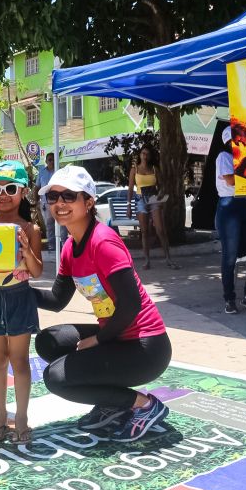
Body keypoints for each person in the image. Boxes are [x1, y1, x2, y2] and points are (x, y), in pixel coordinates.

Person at [32, 165, 172, 442]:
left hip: (145, 348)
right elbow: (57, 300)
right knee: (49, 342)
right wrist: (11, 284)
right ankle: (112, 402)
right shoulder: (71, 247)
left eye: (69, 196)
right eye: (53, 197)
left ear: (89, 202)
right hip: (117, 336)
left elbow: (131, 304)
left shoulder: (103, 242)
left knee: (56, 378)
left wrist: (97, 339)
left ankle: (144, 405)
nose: (59, 203)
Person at [0, 161, 43, 444]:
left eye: (10, 188)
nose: (3, 194)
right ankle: (1, 419)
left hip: (19, 298)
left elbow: (37, 271)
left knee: (19, 360)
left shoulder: (30, 228)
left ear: (23, 191)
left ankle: (23, 419)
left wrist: (26, 250)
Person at [215, 127, 246, 314]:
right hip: (230, 206)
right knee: (230, 255)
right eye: (239, 138)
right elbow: (230, 180)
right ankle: (229, 298)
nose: (244, 141)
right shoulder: (224, 157)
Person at [126, 144, 179, 270]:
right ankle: (147, 260)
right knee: (144, 231)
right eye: (143, 153)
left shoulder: (155, 169)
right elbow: (130, 189)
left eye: (147, 154)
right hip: (140, 200)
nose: (145, 156)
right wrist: (129, 205)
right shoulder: (135, 170)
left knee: (160, 229)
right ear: (139, 155)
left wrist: (161, 195)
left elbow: (162, 186)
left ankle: (168, 258)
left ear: (150, 156)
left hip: (154, 199)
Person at [35, 152, 67, 250]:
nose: (52, 161)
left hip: (59, 202)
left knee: (62, 223)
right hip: (45, 203)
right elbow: (37, 187)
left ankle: (65, 246)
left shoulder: (61, 171)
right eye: (50, 159)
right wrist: (36, 202)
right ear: (46, 161)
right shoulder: (42, 172)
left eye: (54, 159)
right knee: (49, 225)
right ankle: (52, 246)